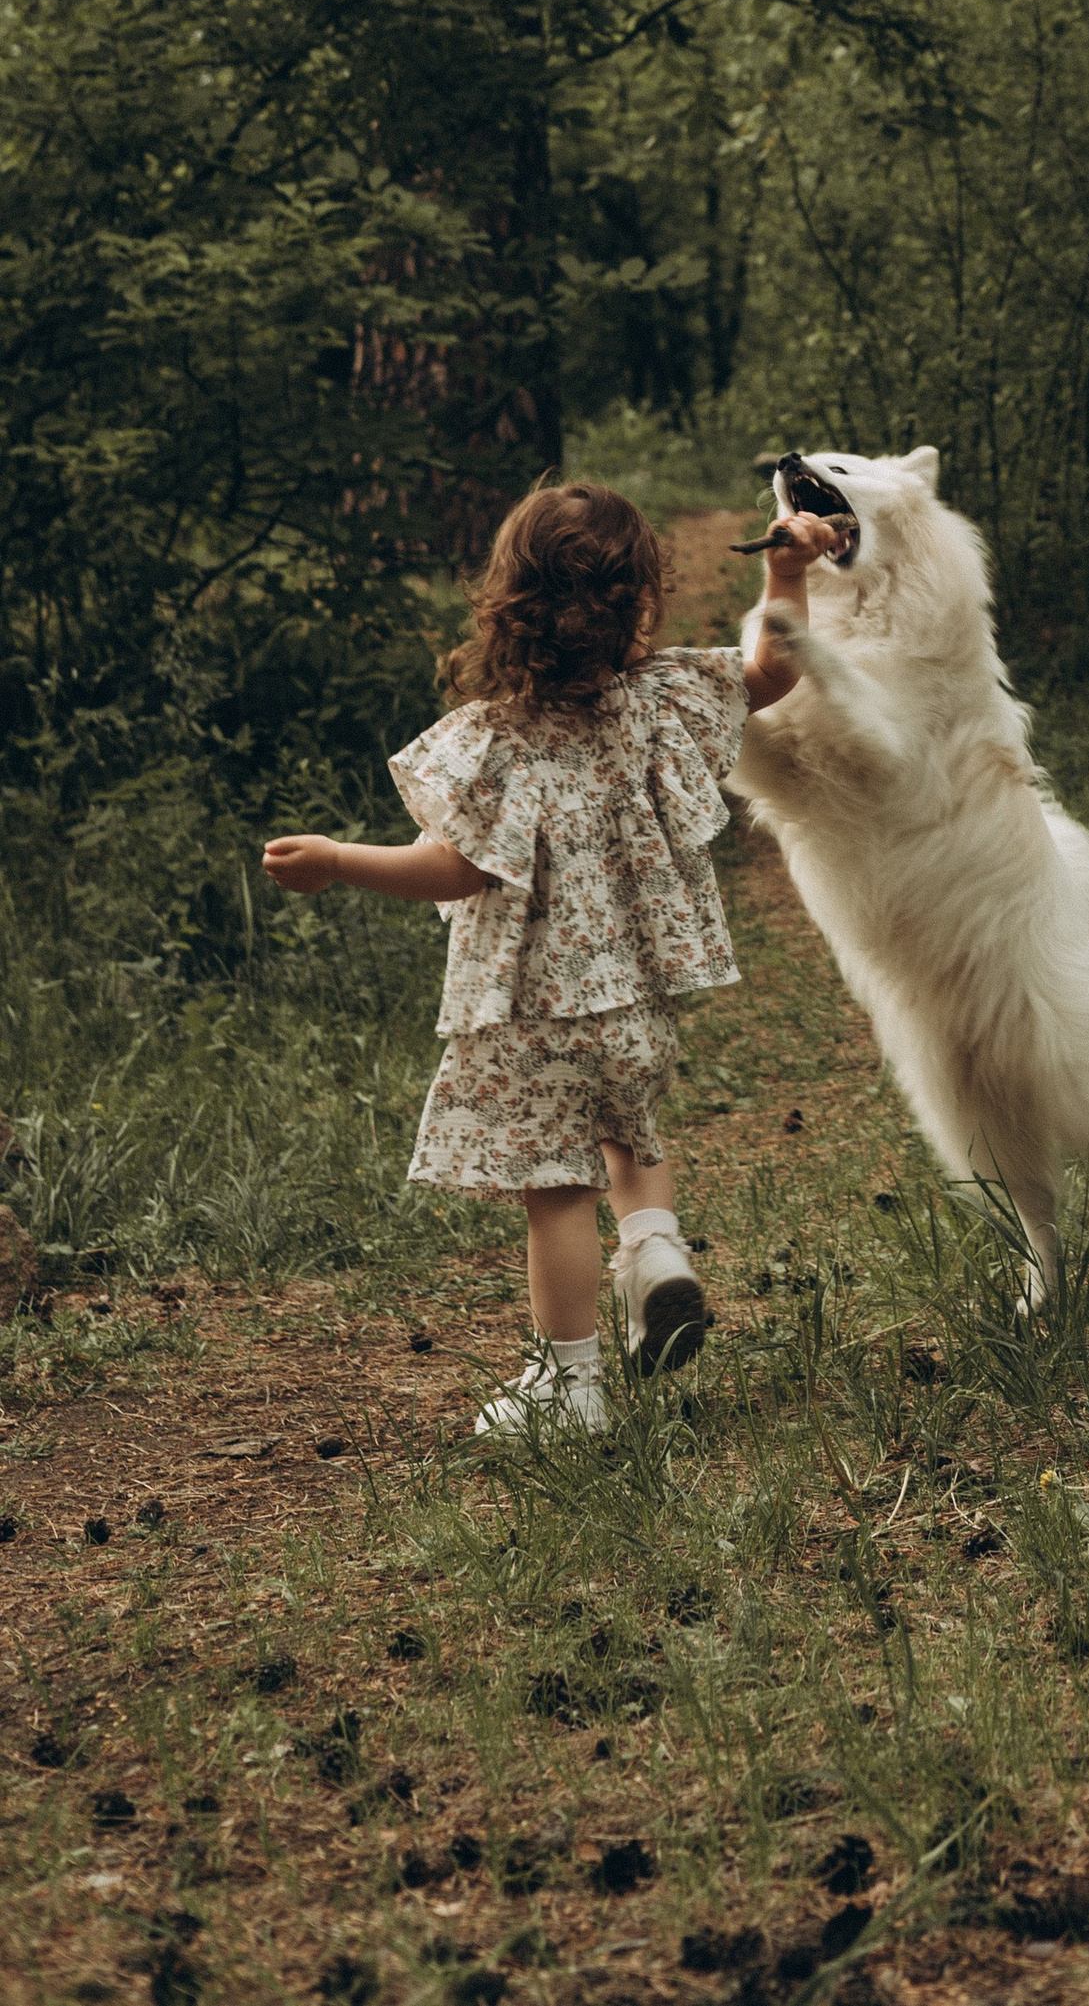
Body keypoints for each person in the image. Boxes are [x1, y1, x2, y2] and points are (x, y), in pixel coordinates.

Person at [264, 478, 839, 1437]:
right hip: (641, 1006)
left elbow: (451, 868)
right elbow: (775, 668)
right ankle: (655, 1248)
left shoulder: (495, 742)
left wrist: (337, 861)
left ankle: (569, 1388)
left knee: (558, 1190)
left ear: (509, 604)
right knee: (632, 1131)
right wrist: (785, 568)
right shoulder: (665, 699)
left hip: (536, 1015)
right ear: (638, 601)